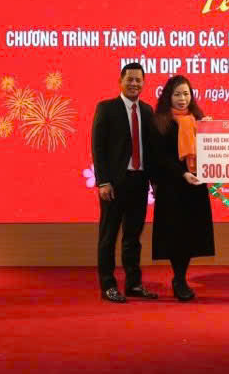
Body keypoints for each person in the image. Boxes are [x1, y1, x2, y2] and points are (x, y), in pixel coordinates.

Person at [92, 62, 158, 303]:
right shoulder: (106, 108)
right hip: (114, 184)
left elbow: (152, 149)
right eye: (130, 79)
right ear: (120, 81)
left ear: (144, 83)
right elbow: (98, 147)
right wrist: (103, 182)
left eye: (138, 80)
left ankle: (133, 284)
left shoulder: (148, 111)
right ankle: (108, 286)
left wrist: (155, 181)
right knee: (108, 237)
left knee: (133, 237)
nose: (134, 84)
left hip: (139, 182)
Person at [151, 75, 215, 301]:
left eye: (186, 94)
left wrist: (211, 130)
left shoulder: (198, 119)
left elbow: (210, 152)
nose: (182, 98)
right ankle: (178, 279)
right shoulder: (160, 121)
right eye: (177, 94)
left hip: (195, 187)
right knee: (175, 235)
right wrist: (182, 173)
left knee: (190, 235)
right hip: (172, 187)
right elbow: (160, 156)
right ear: (168, 96)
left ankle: (181, 277)